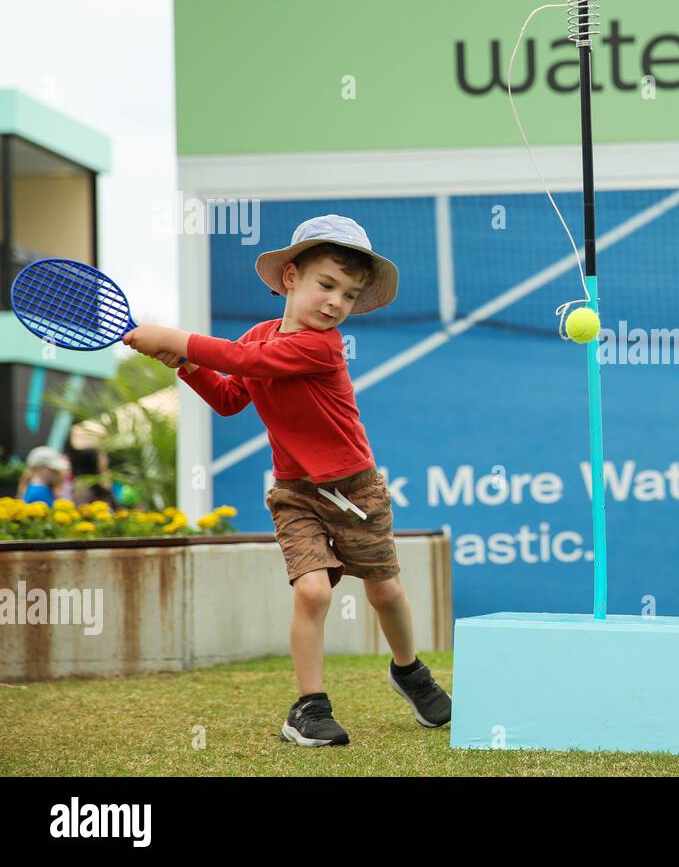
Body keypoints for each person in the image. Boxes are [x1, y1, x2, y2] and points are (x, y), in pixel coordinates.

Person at [123, 214, 451, 747]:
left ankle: (409, 671)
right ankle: (310, 708)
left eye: (349, 295)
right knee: (315, 593)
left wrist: (176, 337)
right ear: (291, 277)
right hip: (294, 493)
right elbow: (231, 397)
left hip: (356, 491)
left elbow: (241, 359)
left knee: (386, 590)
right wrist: (185, 363)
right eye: (327, 285)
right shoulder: (261, 337)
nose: (336, 302)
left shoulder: (321, 347)